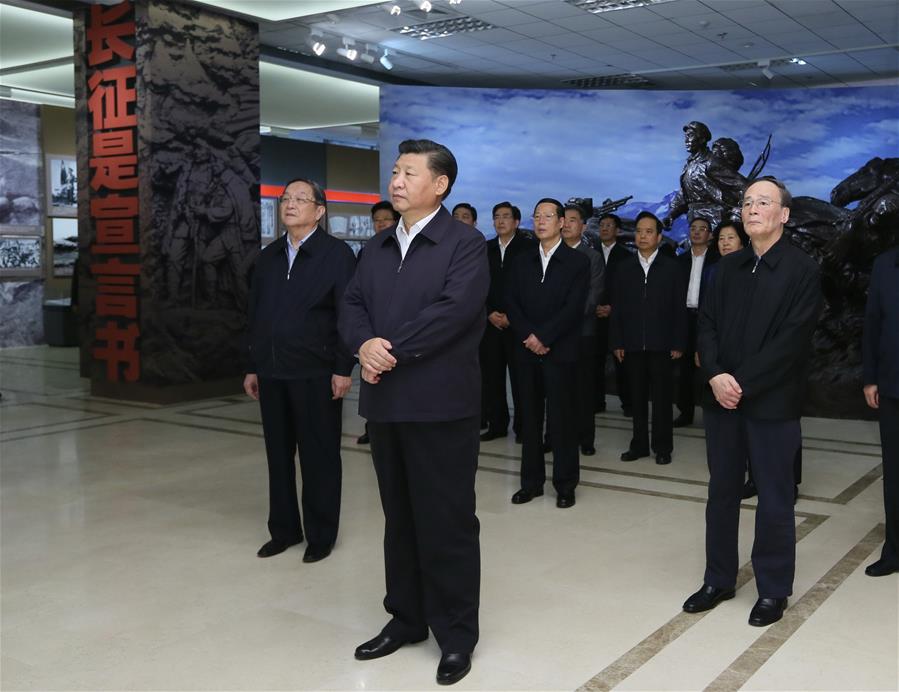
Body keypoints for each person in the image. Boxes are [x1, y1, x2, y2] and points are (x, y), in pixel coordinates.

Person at [339, 139, 488, 686]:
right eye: (394, 172)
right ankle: (405, 618)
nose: (395, 181)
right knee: (398, 517)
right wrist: (362, 346)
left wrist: (386, 349)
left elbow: (453, 313)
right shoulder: (376, 247)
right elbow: (352, 304)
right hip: (387, 403)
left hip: (441, 406)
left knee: (446, 521)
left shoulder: (465, 244)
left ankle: (455, 634)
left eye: (407, 173)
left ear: (440, 184)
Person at [683, 176, 823, 627]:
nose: (751, 209)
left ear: (783, 214)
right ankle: (718, 578)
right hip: (723, 401)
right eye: (746, 202)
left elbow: (792, 341)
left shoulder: (802, 269)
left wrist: (738, 381)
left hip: (772, 403)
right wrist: (717, 376)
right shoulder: (726, 268)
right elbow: (706, 325)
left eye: (763, 202)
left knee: (775, 499)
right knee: (721, 492)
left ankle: (773, 589)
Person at [244, 178, 356, 564]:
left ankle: (321, 535)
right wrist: (252, 365)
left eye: (300, 199)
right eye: (285, 199)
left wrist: (343, 368)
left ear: (320, 210)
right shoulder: (268, 257)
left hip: (317, 372)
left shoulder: (337, 255)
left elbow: (348, 316)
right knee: (278, 455)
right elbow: (255, 315)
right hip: (273, 372)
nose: (290, 204)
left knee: (319, 457)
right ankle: (284, 530)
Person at [504, 198, 589, 508]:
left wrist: (544, 337)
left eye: (548, 216)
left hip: (560, 351)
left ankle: (565, 484)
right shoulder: (521, 260)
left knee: (562, 420)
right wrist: (529, 336)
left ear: (562, 223)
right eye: (537, 216)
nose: (540, 221)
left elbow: (573, 308)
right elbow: (511, 302)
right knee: (529, 418)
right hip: (525, 350)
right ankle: (531, 483)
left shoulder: (577, 262)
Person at [610, 211, 686, 466]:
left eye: (648, 231)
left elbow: (679, 308)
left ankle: (663, 447)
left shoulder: (672, 267)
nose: (642, 236)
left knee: (663, 400)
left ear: (659, 236)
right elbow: (617, 308)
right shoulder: (623, 268)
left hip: (662, 344)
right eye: (639, 231)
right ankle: (639, 445)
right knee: (637, 398)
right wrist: (617, 341)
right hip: (631, 344)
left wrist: (678, 342)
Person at [480, 202, 533, 442]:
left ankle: (523, 428)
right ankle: (497, 425)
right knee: (492, 377)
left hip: (518, 324)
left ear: (516, 222)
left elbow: (531, 288)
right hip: (490, 324)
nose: (500, 221)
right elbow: (476, 285)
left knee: (521, 378)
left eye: (506, 217)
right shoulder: (485, 249)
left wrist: (513, 316)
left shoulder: (528, 248)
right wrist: (489, 312)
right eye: (496, 217)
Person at [862, 244, 899, 577]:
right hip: (892, 384)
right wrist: (870, 378)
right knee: (895, 472)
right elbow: (872, 323)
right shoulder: (885, 263)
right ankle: (895, 550)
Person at [356, 200, 401, 445]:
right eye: (377, 220)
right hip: (372, 334)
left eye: (386, 219)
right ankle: (371, 428)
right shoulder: (369, 250)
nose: (381, 223)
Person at [562, 203, 604, 455]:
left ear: (583, 226)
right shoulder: (547, 254)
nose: (566, 224)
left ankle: (585, 438)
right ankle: (553, 435)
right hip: (553, 337)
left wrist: (562, 321)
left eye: (572, 220)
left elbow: (593, 296)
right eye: (563, 220)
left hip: (582, 333)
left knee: (583, 390)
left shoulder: (593, 258)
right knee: (556, 390)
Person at [674, 217, 718, 427]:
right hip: (684, 318)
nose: (697, 232)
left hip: (707, 320)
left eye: (702, 229)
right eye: (693, 229)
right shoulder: (680, 261)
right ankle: (685, 412)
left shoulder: (717, 261)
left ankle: (712, 412)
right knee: (684, 369)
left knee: (708, 365)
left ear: (710, 235)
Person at [594, 213, 632, 416]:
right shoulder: (590, 254)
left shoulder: (626, 256)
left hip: (618, 317)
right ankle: (597, 402)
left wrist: (613, 307)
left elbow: (628, 290)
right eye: (602, 225)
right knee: (595, 361)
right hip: (594, 315)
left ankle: (628, 404)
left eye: (609, 225)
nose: (604, 228)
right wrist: (595, 307)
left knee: (622, 363)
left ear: (617, 230)